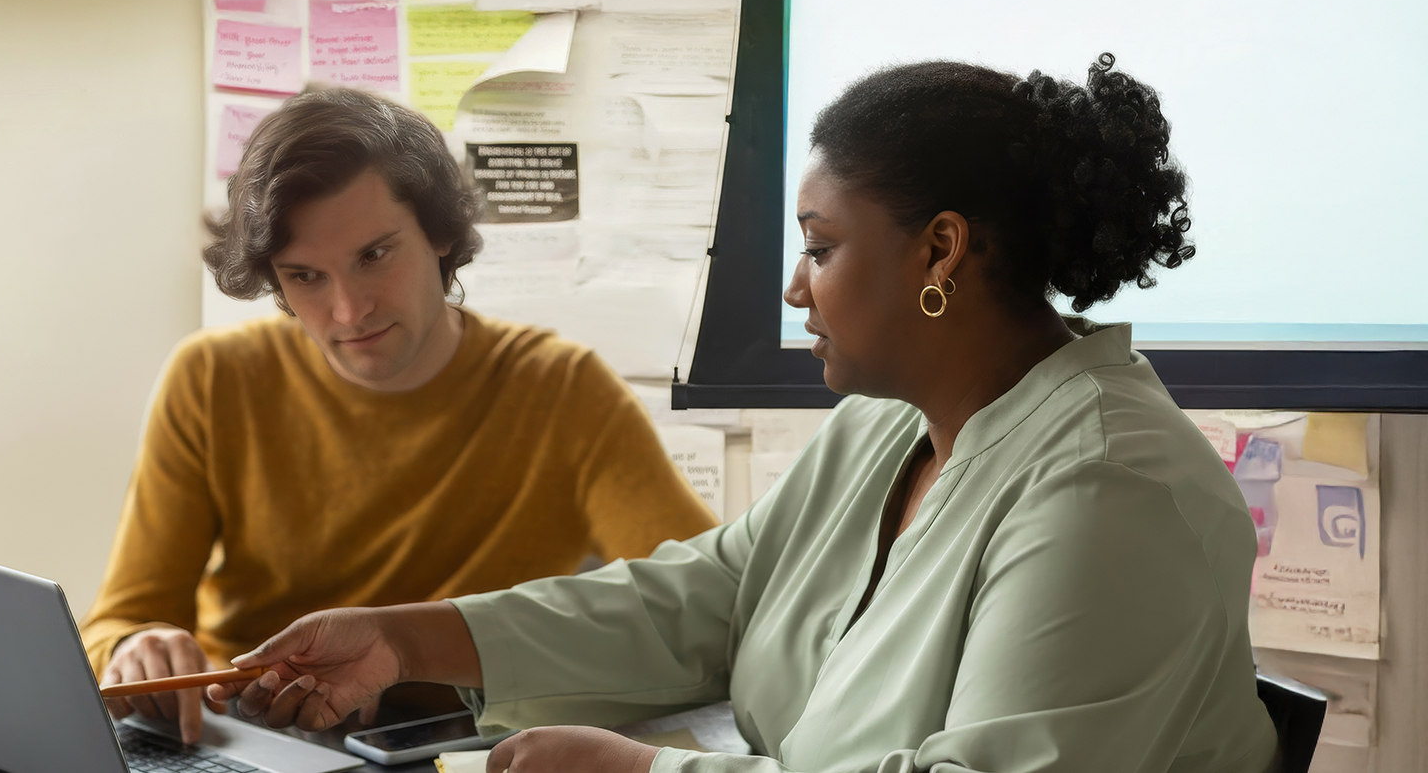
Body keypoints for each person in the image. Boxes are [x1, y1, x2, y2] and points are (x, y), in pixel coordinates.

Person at [205, 56, 1280, 773]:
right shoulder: (885, 428)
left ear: (940, 252)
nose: (795, 288)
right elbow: (706, 601)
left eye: (821, 247)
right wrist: (405, 639)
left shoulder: (1108, 491)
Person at [80, 87, 719, 744]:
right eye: (305, 276)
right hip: (246, 737)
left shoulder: (561, 388)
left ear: (439, 233)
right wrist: (136, 647)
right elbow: (116, 625)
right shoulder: (213, 377)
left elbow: (716, 606)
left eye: (374, 256)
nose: (348, 312)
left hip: (461, 741)